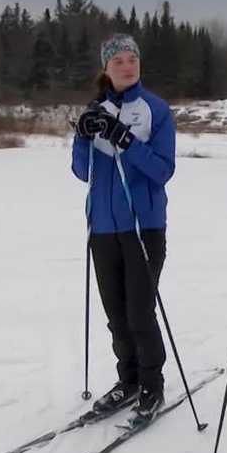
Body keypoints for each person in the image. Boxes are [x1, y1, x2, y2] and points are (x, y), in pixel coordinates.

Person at [71, 33, 177, 426]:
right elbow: (83, 171)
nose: (127, 66)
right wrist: (84, 137)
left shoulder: (155, 110)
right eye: (119, 62)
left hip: (143, 225)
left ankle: (152, 384)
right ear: (106, 68)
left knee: (139, 311)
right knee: (116, 312)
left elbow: (163, 170)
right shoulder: (95, 109)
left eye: (132, 59)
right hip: (102, 228)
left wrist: (127, 141)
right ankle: (127, 379)